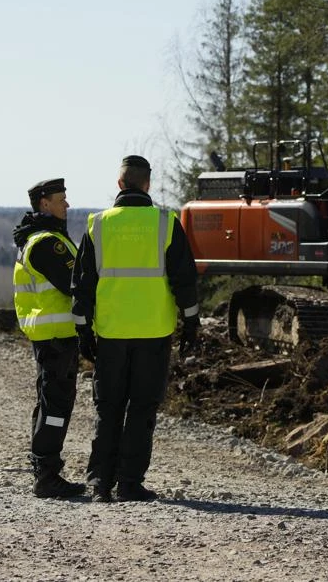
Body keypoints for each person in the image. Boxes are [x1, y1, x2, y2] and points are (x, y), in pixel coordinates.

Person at [71, 155, 200, 503]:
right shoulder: (166, 223)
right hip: (154, 332)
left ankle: (100, 483)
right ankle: (129, 484)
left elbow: (82, 285)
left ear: (120, 184)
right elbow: (185, 281)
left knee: (109, 408)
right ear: (147, 184)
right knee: (142, 409)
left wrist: (83, 331)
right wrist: (191, 324)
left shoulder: (98, 225)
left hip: (111, 333)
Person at [12, 178, 86, 498]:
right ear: (45, 204)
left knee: (50, 401)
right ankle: (47, 475)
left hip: (52, 335)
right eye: (61, 199)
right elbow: (74, 283)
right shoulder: (47, 243)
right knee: (55, 405)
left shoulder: (41, 238)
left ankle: (45, 471)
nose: (67, 204)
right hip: (57, 336)